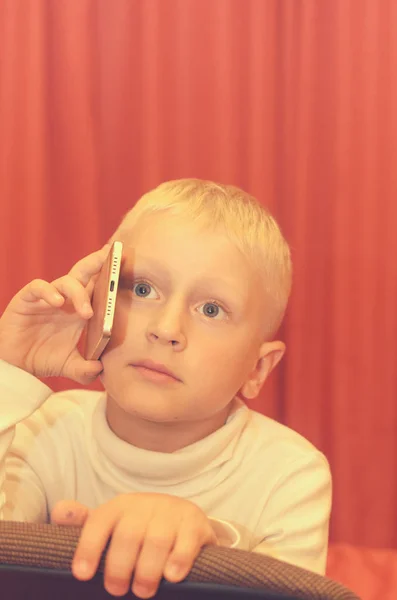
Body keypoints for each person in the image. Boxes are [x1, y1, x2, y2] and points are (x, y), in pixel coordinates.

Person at [0, 179, 331, 598]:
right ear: (94, 300)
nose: (166, 329)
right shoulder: (43, 430)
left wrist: (210, 545)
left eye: (211, 309)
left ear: (257, 368)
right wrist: (7, 373)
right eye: (142, 289)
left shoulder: (290, 474)